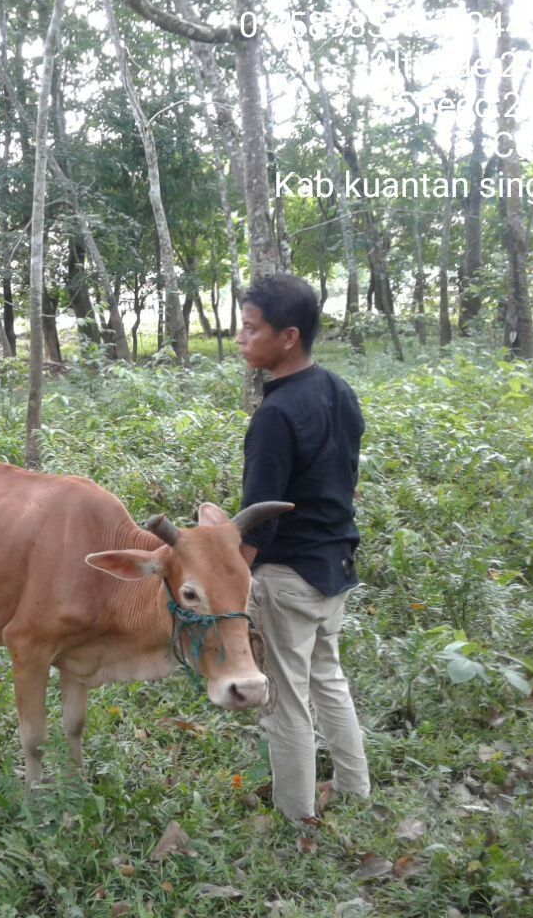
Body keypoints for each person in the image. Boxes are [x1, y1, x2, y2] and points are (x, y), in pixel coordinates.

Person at [233, 273, 371, 823]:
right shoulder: (338, 390)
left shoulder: (274, 417)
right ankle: (355, 789)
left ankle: (296, 818)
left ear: (287, 336)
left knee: (285, 701)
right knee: (327, 678)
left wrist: (235, 583)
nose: (241, 339)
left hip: (288, 576)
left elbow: (260, 516)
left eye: (251, 329)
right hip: (333, 565)